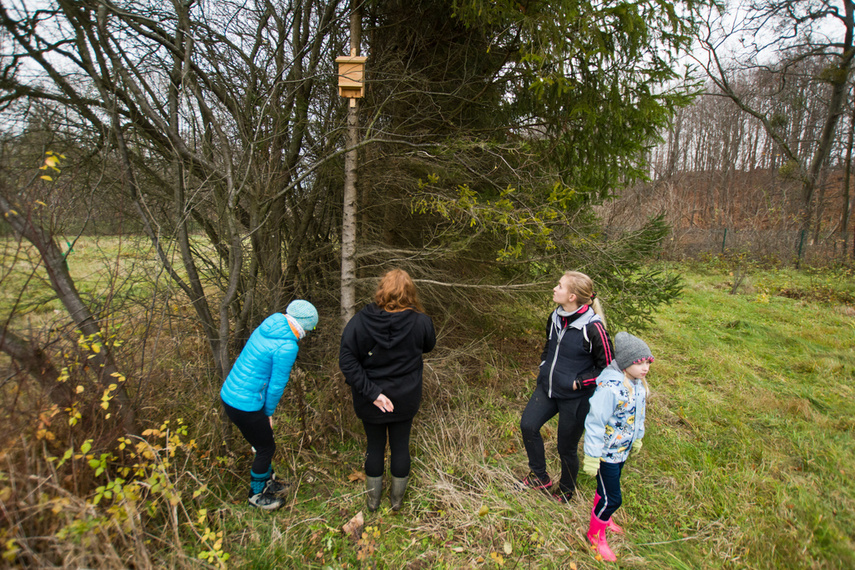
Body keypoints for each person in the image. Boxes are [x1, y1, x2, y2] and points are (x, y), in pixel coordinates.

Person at [339, 269, 436, 512]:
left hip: (370, 398)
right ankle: (396, 502)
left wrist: (372, 393)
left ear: (381, 290)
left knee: (374, 446)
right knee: (400, 445)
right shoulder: (421, 322)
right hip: (404, 397)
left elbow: (347, 361)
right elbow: (429, 345)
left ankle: (373, 503)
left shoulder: (360, 321)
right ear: (410, 293)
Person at [519, 271, 614, 503]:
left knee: (566, 448)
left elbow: (607, 367)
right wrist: (544, 366)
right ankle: (540, 477)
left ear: (572, 296)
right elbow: (548, 345)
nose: (554, 288)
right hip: (548, 388)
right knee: (528, 425)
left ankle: (567, 488)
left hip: (576, 398)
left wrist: (579, 383)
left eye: (559, 286)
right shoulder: (555, 316)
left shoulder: (593, 328)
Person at [220, 299, 319, 511]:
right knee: (266, 447)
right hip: (245, 405)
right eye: (309, 331)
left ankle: (268, 482)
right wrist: (267, 413)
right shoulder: (287, 346)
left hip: (229, 395)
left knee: (261, 442)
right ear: (302, 328)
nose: (306, 335)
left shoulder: (269, 325)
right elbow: (276, 386)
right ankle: (256, 495)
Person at [582, 332, 653, 562]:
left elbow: (638, 415)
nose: (645, 368)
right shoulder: (610, 388)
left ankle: (605, 518)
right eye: (639, 362)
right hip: (606, 454)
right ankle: (594, 534)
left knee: (605, 491)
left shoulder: (637, 384)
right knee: (613, 498)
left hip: (621, 451)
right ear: (625, 363)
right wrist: (592, 457)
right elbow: (595, 422)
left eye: (647, 362)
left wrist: (638, 437)